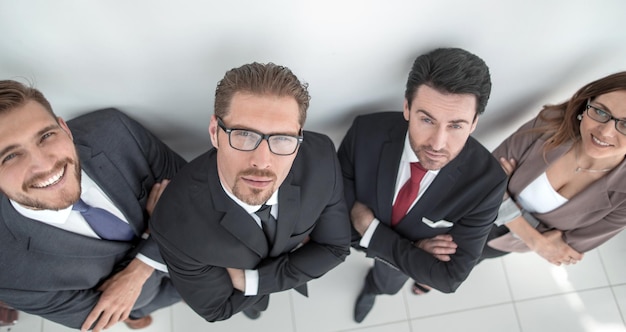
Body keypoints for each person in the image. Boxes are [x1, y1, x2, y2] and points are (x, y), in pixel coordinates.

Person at [150, 62, 351, 322]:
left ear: (299, 138)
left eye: (282, 138)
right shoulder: (174, 226)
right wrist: (302, 258)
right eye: (244, 135)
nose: (262, 161)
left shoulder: (320, 155)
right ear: (215, 133)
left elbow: (335, 248)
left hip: (247, 287)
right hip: (244, 301)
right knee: (255, 311)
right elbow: (217, 309)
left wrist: (251, 281)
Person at [337, 47, 508, 323]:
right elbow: (336, 213)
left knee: (385, 285)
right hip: (378, 250)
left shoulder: (487, 182)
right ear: (407, 107)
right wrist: (414, 252)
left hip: (395, 267)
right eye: (427, 119)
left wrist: (371, 229)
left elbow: (449, 278)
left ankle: (372, 289)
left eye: (456, 126)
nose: (438, 144)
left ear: (474, 123)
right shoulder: (366, 132)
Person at [0, 80, 186, 331]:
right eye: (10, 156)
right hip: (148, 297)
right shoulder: (8, 275)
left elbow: (194, 197)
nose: (44, 165)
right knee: (138, 307)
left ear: (64, 128)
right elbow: (100, 317)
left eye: (46, 136)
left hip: (186, 265)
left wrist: (139, 271)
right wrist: (153, 239)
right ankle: (136, 318)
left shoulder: (113, 130)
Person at [481, 72, 626, 265]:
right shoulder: (552, 122)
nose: (606, 132)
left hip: (502, 242)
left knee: (465, 261)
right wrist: (537, 239)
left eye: (625, 125)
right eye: (600, 111)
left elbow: (566, 247)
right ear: (586, 105)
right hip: (473, 207)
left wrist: (503, 197)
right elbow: (484, 176)